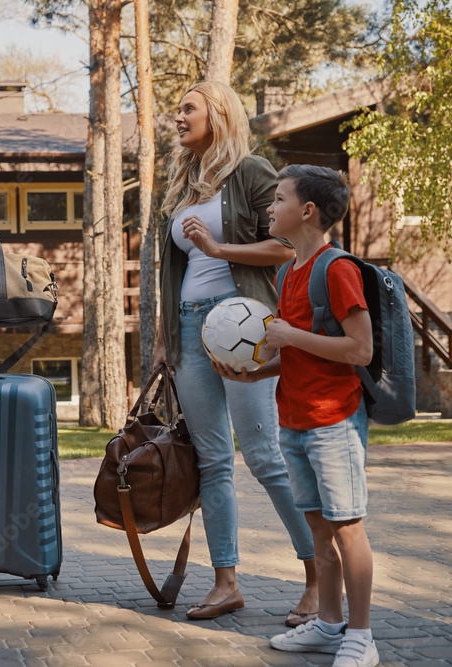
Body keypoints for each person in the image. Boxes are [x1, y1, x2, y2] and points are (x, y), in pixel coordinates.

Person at [153, 81, 318, 623]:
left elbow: (290, 243)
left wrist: (220, 248)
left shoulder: (250, 172)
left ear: (217, 115)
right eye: (178, 108)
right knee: (213, 462)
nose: (178, 116)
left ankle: (319, 578)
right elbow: (171, 271)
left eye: (188, 108)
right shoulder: (179, 186)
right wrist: (163, 338)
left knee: (265, 456)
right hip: (189, 332)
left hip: (244, 323)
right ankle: (226, 582)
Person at [218, 165, 378, 667]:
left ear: (306, 211)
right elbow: (297, 354)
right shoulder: (287, 272)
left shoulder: (337, 268)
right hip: (295, 420)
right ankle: (329, 625)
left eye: (278, 199)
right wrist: (255, 374)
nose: (269, 207)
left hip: (335, 419)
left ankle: (362, 635)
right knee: (320, 532)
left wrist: (290, 336)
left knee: (348, 529)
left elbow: (360, 349)